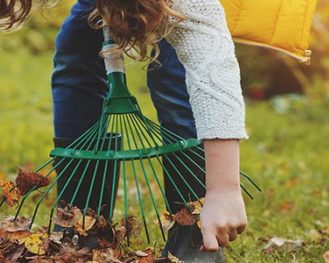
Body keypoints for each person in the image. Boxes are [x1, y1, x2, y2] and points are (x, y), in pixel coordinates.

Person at [1, 0, 249, 261]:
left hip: (167, 6)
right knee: (77, 46)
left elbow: (210, 61)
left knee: (173, 66)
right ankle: (81, 220)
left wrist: (224, 190)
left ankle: (194, 224)